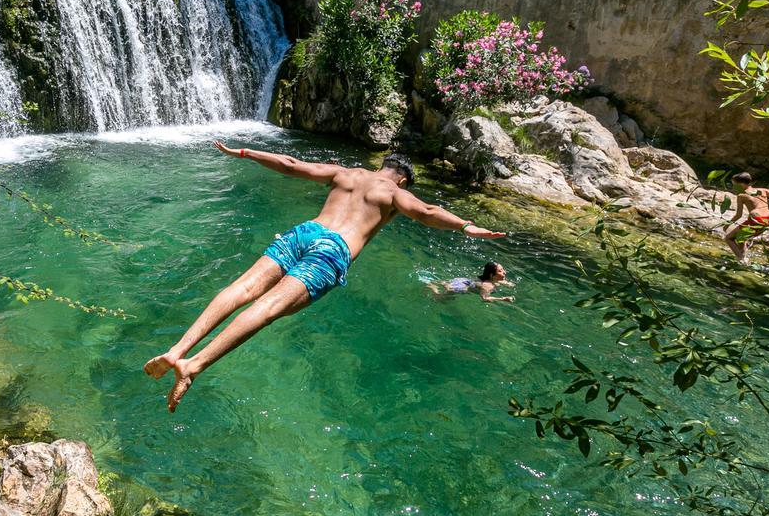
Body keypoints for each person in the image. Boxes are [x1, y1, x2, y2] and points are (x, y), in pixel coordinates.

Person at [144, 142, 506, 412]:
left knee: (241, 289)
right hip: (332, 251)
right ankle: (192, 366)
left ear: (381, 164)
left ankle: (177, 349)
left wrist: (245, 152)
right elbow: (426, 211)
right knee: (267, 307)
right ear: (404, 178)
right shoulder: (395, 192)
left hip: (305, 231)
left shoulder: (346, 173)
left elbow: (290, 163)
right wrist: (466, 226)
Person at [427, 262, 515, 303]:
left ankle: (434, 283)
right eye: (500, 271)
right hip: (461, 287)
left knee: (444, 283)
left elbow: (500, 281)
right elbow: (485, 298)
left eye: (503, 269)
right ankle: (431, 287)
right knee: (440, 299)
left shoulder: (490, 278)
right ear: (492, 275)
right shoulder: (488, 286)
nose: (504, 272)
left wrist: (506, 283)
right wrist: (503, 299)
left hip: (463, 280)